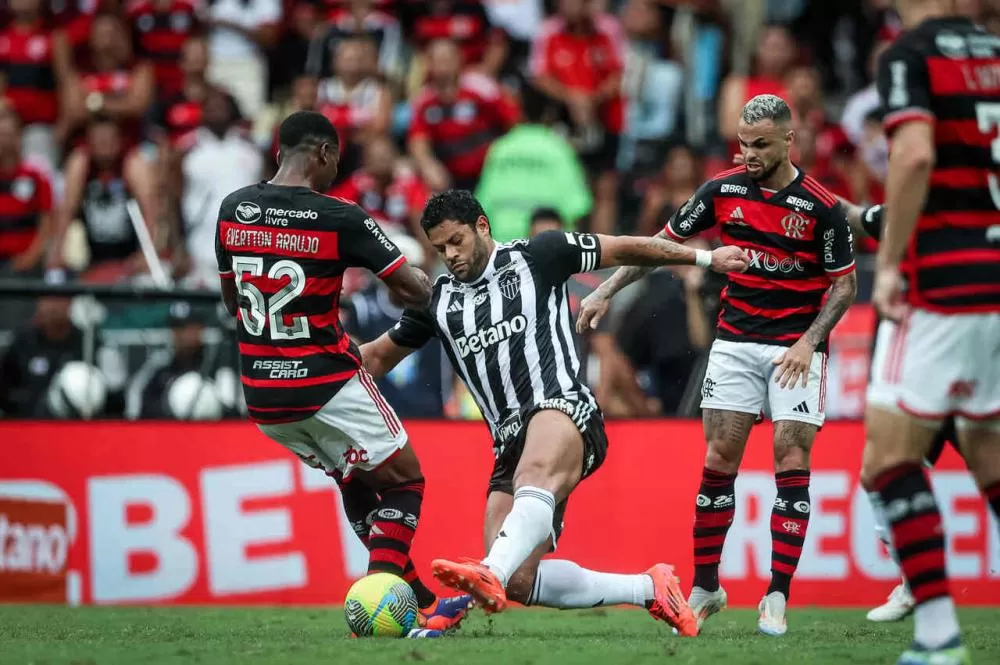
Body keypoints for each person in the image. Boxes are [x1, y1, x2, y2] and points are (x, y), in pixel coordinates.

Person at [359, 189, 749, 635]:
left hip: (563, 408)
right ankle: (649, 589)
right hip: (508, 444)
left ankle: (481, 579)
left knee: (524, 500)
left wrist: (705, 259)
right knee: (520, 581)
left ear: (482, 226)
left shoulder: (539, 255)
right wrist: (316, 362)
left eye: (457, 241)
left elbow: (627, 246)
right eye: (440, 247)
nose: (450, 255)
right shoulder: (438, 301)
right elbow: (374, 357)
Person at [578, 94, 858, 636]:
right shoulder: (722, 191)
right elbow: (659, 246)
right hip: (734, 341)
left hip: (795, 347)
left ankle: (777, 594)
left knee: (791, 456)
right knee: (718, 459)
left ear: (788, 141)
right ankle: (707, 586)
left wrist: (810, 342)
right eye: (743, 144)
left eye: (760, 145)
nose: (748, 154)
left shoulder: (821, 207)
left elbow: (844, 286)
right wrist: (605, 291)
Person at [214, 111, 469, 638]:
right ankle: (379, 605)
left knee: (353, 477)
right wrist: (433, 286)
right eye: (337, 162)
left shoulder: (233, 208)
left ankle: (423, 603)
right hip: (325, 382)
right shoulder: (339, 216)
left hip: (263, 395)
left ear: (278, 152)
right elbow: (413, 290)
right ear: (325, 154)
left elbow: (233, 302)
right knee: (405, 481)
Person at [864, 2, 1000, 661]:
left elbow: (914, 155)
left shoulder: (910, 55)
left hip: (943, 284)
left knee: (886, 460)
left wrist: (890, 264)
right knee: (989, 457)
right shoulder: (994, 53)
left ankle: (939, 635)